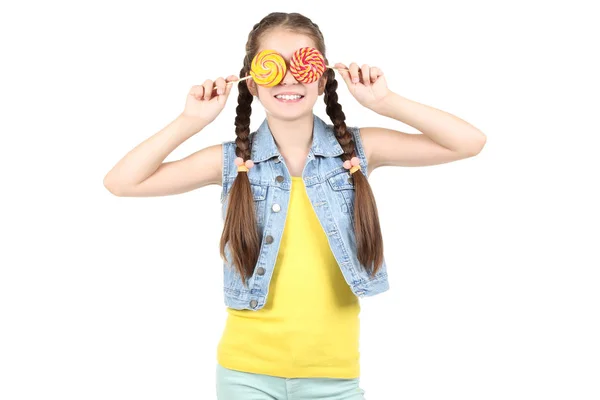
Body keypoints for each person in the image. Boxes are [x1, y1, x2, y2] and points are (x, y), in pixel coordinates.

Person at [104, 11, 486, 400]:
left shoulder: (358, 150)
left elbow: (468, 142)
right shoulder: (230, 162)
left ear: (322, 78)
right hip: (245, 373)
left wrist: (386, 101)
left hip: (334, 378)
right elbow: (121, 182)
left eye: (303, 64)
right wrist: (190, 120)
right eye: (273, 66)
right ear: (251, 81)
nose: (288, 77)